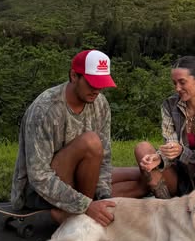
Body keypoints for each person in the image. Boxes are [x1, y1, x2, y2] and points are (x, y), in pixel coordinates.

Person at [111, 55, 195, 213]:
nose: (177, 88)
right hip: (179, 177)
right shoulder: (169, 105)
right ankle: (169, 211)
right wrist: (160, 157)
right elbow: (170, 144)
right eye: (174, 83)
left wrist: (181, 152)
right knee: (142, 149)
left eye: (182, 82)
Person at [10, 49, 118, 227]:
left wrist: (104, 197)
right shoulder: (45, 109)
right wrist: (87, 205)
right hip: (40, 192)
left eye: (101, 84)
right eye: (92, 83)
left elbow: (104, 158)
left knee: (138, 178)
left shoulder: (101, 104)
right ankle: (81, 218)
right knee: (91, 142)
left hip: (81, 182)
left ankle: (77, 214)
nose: (97, 90)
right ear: (74, 76)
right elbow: (38, 176)